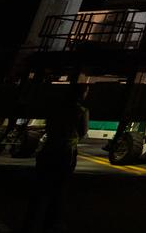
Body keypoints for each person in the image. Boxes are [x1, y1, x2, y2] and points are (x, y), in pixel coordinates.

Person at [22, 84, 89, 233]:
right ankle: (51, 223)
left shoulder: (56, 108)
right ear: (82, 94)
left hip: (49, 148)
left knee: (40, 187)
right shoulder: (81, 111)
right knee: (59, 188)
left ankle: (30, 222)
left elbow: (48, 126)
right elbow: (83, 131)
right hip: (66, 151)